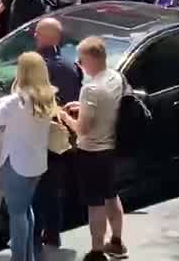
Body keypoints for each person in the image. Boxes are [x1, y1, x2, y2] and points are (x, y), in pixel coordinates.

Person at [58, 37, 128, 261]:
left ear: (91, 59)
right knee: (111, 195)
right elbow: (107, 105)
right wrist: (82, 107)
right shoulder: (116, 77)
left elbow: (83, 130)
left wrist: (64, 116)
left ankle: (97, 251)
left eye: (81, 59)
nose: (79, 64)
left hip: (91, 152)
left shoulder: (90, 88)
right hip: (110, 148)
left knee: (95, 203)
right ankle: (116, 241)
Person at [0, 51, 57, 261]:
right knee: (25, 209)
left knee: (17, 214)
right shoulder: (47, 97)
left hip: (15, 163)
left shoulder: (14, 101)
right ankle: (27, 256)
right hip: (36, 163)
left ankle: (19, 258)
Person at [32, 17, 80, 249]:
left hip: (39, 135)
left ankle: (34, 234)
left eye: (38, 33)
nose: (34, 36)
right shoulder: (71, 67)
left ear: (49, 37)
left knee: (37, 187)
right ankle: (52, 233)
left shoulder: (38, 67)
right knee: (53, 188)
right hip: (62, 137)